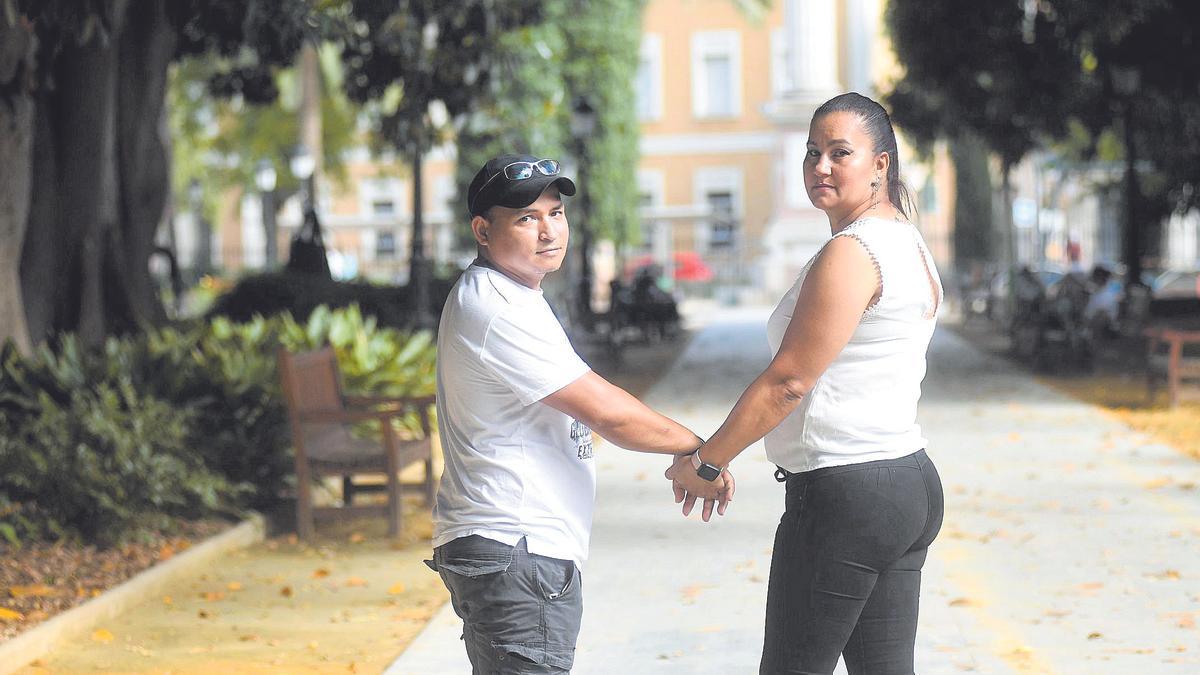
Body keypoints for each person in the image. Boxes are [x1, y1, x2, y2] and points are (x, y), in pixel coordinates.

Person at [666, 93, 945, 674]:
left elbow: (788, 381)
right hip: (904, 481)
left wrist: (709, 461)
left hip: (847, 493)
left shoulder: (854, 251)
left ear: (881, 165)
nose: (820, 165)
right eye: (812, 152)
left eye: (840, 152)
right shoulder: (907, 240)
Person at [427, 154, 733, 674]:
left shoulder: (514, 295)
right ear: (482, 229)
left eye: (555, 212)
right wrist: (700, 451)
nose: (548, 230)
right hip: (517, 548)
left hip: (510, 549)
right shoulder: (497, 306)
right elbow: (607, 412)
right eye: (526, 218)